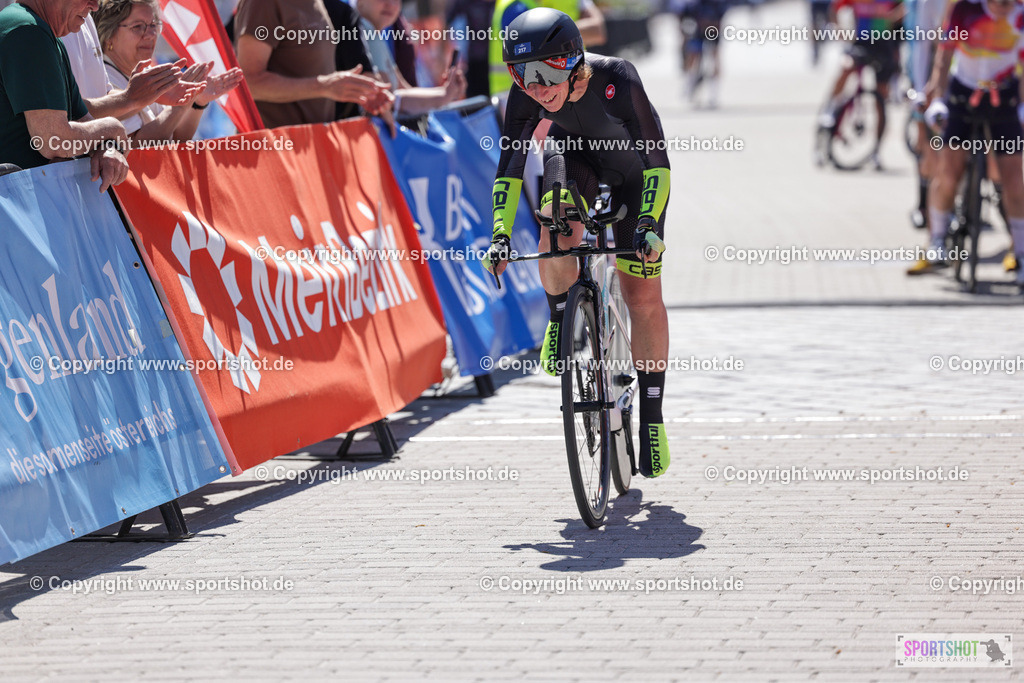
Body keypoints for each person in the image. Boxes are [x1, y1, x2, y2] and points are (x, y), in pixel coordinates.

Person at [482, 8, 672, 478]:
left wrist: (647, 223)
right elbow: (508, 170)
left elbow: (657, 164)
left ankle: (651, 416)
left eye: (548, 70)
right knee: (556, 219)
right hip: (573, 163)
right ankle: (560, 316)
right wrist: (501, 236)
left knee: (642, 294)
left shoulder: (617, 79)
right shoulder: (526, 97)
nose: (537, 86)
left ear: (574, 61)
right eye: (522, 74)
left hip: (634, 176)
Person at [908, 0, 1024, 287]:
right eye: (998, 3)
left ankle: (1021, 252)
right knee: (948, 171)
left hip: (1004, 100)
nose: (1004, 7)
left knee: (1014, 179)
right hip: (962, 98)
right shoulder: (964, 10)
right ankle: (937, 241)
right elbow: (944, 57)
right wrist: (936, 97)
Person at [0, 0, 128, 191]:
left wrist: (107, 147)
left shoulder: (44, 35)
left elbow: (84, 123)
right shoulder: (27, 30)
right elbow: (53, 141)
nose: (95, 6)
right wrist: (113, 128)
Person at [94, 0, 242, 141]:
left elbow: (176, 139)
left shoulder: (149, 73)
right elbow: (139, 146)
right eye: (138, 26)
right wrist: (183, 105)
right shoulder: (102, 79)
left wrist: (198, 101)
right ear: (109, 35)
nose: (151, 34)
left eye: (153, 25)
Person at [233, 0, 392, 129]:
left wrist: (365, 94)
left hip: (310, 151)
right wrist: (324, 86)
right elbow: (247, 83)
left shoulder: (319, 3)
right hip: (273, 153)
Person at [323, 0, 466, 119]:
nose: (390, 4)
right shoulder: (364, 31)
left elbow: (402, 91)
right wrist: (443, 95)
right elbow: (393, 100)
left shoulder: (373, 33)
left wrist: (445, 92)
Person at [819, 0, 904, 166]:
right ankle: (829, 109)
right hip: (861, 43)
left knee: (881, 99)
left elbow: (908, 5)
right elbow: (834, 8)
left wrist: (893, 16)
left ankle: (876, 151)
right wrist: (839, 31)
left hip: (884, 45)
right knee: (846, 68)